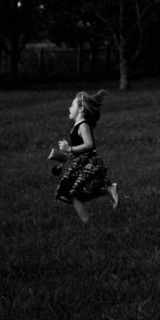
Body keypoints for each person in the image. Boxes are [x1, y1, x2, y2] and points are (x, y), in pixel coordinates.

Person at [52, 89, 119, 223]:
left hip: (89, 163)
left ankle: (87, 221)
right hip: (80, 162)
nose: (69, 108)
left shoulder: (84, 126)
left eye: (72, 105)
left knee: (75, 192)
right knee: (69, 192)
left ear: (81, 108)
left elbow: (89, 145)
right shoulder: (76, 126)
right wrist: (64, 154)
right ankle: (107, 191)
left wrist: (69, 148)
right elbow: (78, 149)